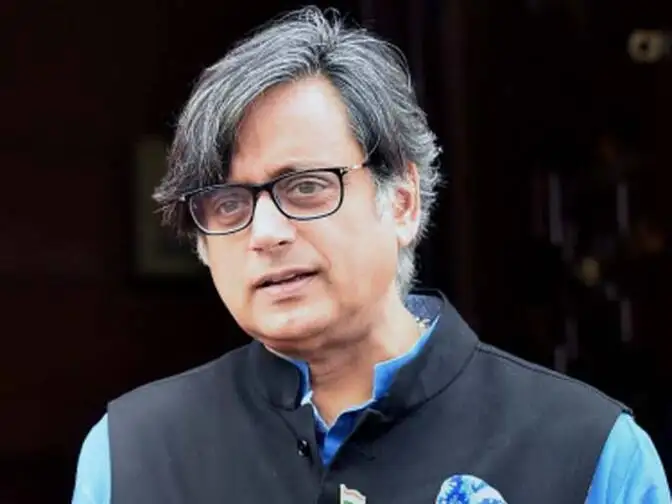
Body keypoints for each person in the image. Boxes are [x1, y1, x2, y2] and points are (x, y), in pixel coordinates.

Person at [71, 7, 670, 504]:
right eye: (228, 203)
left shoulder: (588, 451)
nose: (266, 232)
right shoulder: (131, 453)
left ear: (403, 202)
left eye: (306, 186)